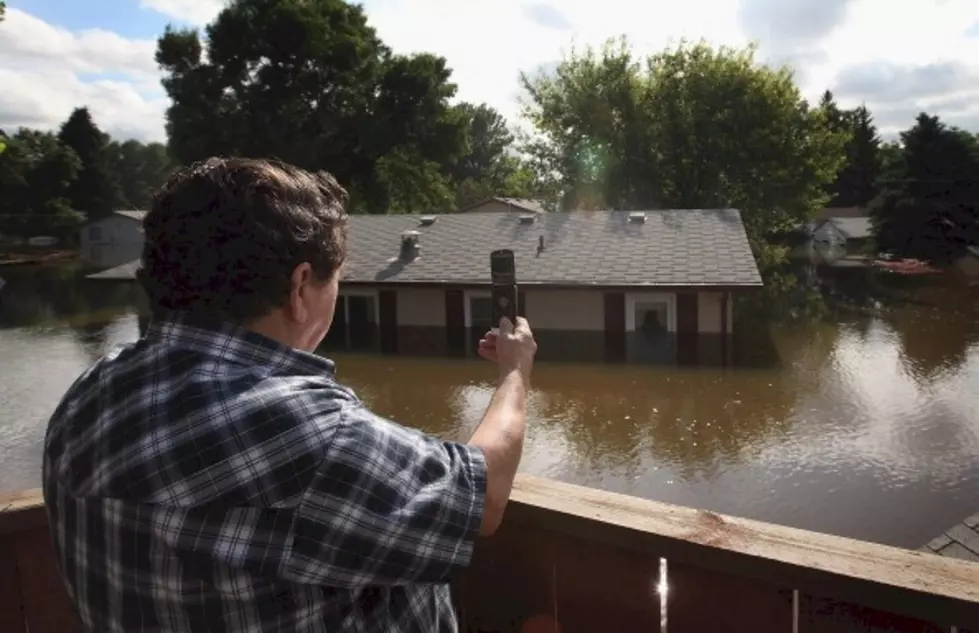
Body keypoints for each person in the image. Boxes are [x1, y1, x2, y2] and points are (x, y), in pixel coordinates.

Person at [42, 157, 538, 633]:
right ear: (300, 287)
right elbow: (486, 494)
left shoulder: (89, 394)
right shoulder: (303, 430)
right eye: (335, 278)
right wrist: (515, 372)